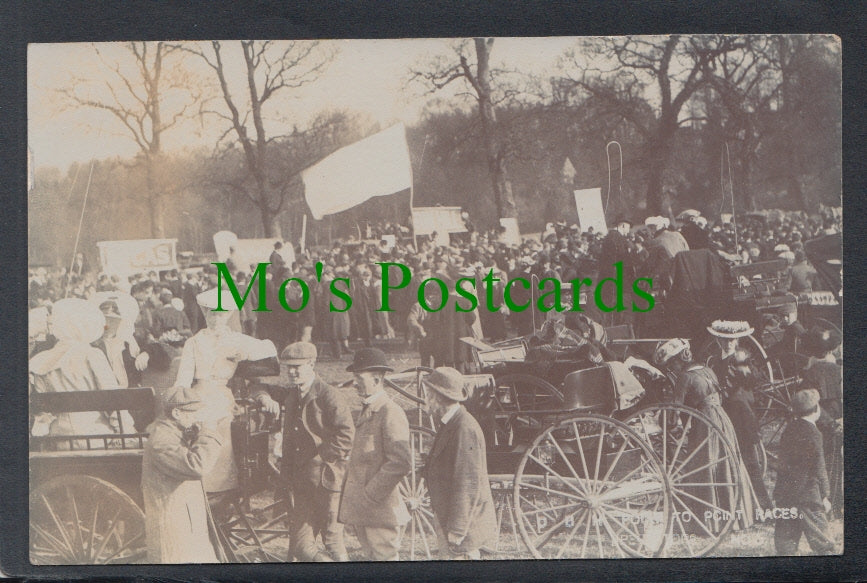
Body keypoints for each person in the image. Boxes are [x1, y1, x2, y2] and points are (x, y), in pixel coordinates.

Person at [253, 342, 355, 562]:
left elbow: (346, 434)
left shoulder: (328, 395)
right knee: (302, 547)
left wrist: (322, 459)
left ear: (312, 364)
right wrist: (264, 398)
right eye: (288, 367)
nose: (291, 372)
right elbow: (258, 386)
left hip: (328, 483)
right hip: (301, 484)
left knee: (333, 540)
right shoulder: (293, 394)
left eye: (297, 367)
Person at [175, 287, 277, 496]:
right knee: (202, 429)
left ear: (229, 314)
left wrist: (241, 353)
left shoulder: (235, 340)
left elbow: (269, 349)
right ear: (205, 313)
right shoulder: (193, 342)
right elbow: (183, 380)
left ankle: (223, 490)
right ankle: (202, 488)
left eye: (221, 313)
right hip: (200, 393)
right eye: (212, 312)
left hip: (222, 395)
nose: (216, 317)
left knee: (222, 433)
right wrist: (182, 405)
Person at [654, 338, 756, 528]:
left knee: (706, 463)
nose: (672, 368)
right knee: (726, 461)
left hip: (705, 422)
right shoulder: (707, 370)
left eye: (672, 364)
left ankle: (712, 520)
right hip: (722, 418)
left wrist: (663, 422)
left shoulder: (684, 377)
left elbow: (676, 412)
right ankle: (735, 516)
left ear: (677, 361)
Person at [338, 348, 412, 561]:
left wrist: (370, 494)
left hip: (381, 510)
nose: (354, 383)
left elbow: (401, 462)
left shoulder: (390, 412)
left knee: (385, 561)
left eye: (359, 377)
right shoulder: (369, 409)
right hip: (365, 510)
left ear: (377, 379)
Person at [141, 386, 226, 563]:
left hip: (184, 522)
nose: (196, 418)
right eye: (192, 413)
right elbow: (197, 466)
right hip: (173, 530)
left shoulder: (172, 432)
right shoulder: (161, 440)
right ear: (177, 413)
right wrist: (209, 434)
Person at [421, 367, 498, 559]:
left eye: (428, 394)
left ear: (437, 397)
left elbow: (468, 482)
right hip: (450, 518)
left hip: (464, 528)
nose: (425, 399)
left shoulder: (464, 428)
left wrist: (457, 529)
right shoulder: (451, 422)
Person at [773, 389, 836, 555]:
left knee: (785, 541)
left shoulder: (788, 430)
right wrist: (825, 495)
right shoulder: (814, 434)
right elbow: (819, 467)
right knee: (822, 540)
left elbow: (782, 464)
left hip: (785, 493)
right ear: (816, 410)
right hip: (809, 495)